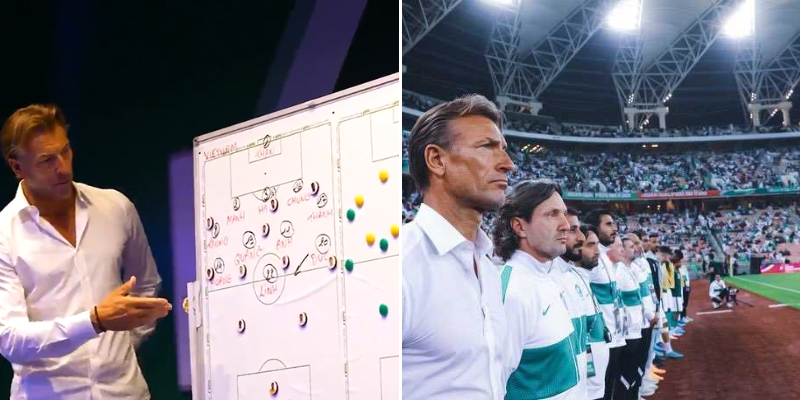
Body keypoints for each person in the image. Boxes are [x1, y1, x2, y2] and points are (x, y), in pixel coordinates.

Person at [0, 104, 172, 399]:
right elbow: (11, 339)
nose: (63, 167)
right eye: (47, 160)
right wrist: (94, 321)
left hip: (125, 392)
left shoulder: (115, 207)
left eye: (65, 151)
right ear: (18, 167)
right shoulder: (4, 233)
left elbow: (146, 284)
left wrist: (121, 345)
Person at [402, 94, 515, 400]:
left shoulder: (485, 264)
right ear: (437, 160)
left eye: (503, 150)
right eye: (487, 147)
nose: (508, 164)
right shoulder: (400, 266)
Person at [493, 179, 582, 399]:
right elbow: (495, 384)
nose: (565, 225)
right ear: (519, 226)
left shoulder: (547, 276)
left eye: (563, 213)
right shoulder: (514, 291)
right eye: (552, 214)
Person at [583, 210, 625, 400]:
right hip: (600, 339)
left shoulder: (605, 258)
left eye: (614, 223)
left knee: (612, 386)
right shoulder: (589, 257)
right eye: (608, 224)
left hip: (614, 335)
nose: (614, 228)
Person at [577, 225, 611, 400]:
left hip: (596, 384)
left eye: (597, 245)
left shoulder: (584, 278)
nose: (597, 251)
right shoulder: (568, 282)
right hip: (586, 389)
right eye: (590, 245)